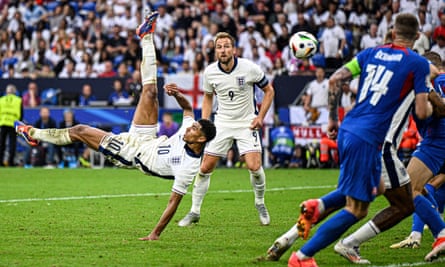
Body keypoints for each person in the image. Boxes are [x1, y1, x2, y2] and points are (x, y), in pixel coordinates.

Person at [15, 12, 216, 241]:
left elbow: (173, 202)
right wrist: (178, 95)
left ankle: (31, 133)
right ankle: (146, 35)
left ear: (200, 140)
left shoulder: (189, 167)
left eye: (194, 130)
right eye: (192, 127)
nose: (188, 128)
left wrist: (155, 234)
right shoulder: (189, 131)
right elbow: (189, 110)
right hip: (148, 138)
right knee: (150, 91)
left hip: (132, 154)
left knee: (80, 130)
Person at [283, 13, 433, 267]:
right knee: (358, 209)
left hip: (349, 129)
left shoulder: (369, 54)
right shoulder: (417, 63)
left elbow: (336, 79)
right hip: (368, 137)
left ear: (392, 32)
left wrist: (332, 119)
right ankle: (302, 257)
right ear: (418, 36)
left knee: (379, 188)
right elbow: (421, 112)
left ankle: (316, 208)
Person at [177, 31, 275, 227]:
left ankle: (260, 203)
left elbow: (269, 90)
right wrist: (204, 123)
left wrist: (260, 117)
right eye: (219, 47)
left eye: (226, 46)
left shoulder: (249, 68)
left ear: (234, 49)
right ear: (215, 51)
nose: (223, 50)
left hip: (247, 122)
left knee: (254, 167)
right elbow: (207, 97)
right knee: (205, 168)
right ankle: (195, 211)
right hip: (222, 123)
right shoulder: (210, 72)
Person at [0, 84, 22, 166]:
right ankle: (11, 162)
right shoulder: (18, 100)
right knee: (12, 144)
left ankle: (1, 161)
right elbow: (21, 114)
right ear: (15, 92)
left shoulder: (1, 100)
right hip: (13, 124)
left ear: (6, 91)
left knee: (2, 144)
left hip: (3, 123)